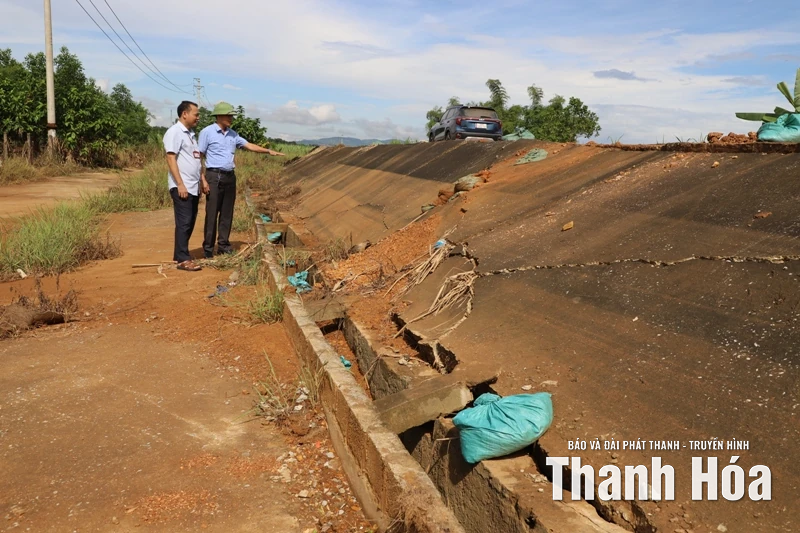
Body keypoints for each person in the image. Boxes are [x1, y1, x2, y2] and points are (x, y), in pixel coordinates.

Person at [198, 102, 284, 258]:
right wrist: (202, 180)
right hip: (213, 176)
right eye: (229, 115)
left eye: (232, 116)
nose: (231, 118)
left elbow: (248, 145)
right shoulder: (207, 132)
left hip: (230, 176)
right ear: (219, 116)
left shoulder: (233, 134)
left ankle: (223, 245)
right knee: (212, 214)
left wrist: (268, 151)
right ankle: (208, 249)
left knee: (226, 213)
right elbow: (199, 156)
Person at [163, 100, 208, 271]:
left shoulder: (190, 134)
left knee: (189, 222)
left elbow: (196, 160)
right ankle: (183, 259)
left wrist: (202, 180)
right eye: (196, 114)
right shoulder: (174, 132)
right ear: (185, 114)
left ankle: (180, 254)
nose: (198, 117)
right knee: (184, 222)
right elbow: (170, 158)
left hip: (193, 186)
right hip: (182, 187)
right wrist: (180, 184)